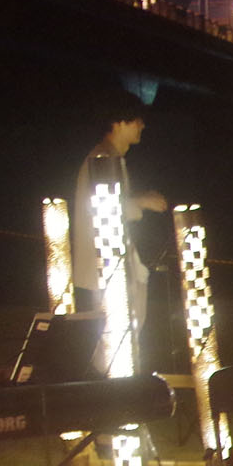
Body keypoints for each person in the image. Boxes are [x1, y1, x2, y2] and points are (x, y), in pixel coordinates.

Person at [67, 96, 169, 371]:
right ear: (119, 122)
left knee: (122, 330)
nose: (141, 126)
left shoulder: (109, 158)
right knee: (115, 333)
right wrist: (142, 202)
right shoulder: (102, 159)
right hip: (107, 264)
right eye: (136, 120)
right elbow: (104, 208)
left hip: (112, 261)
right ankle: (114, 391)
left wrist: (138, 201)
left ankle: (119, 385)